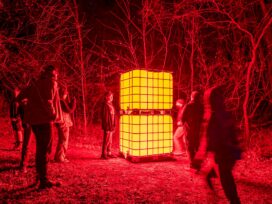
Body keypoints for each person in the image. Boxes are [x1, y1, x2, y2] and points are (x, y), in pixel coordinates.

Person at [17, 65, 62, 189]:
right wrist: (53, 115)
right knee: (45, 150)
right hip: (45, 120)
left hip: (34, 122)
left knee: (40, 149)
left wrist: (28, 107)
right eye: (56, 74)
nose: (57, 76)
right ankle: (43, 180)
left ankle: (40, 177)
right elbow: (49, 101)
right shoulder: (51, 83)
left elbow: (19, 97)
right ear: (53, 74)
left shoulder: (35, 84)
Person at [194, 86, 241, 204]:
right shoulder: (225, 114)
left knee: (227, 181)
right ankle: (216, 198)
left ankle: (234, 202)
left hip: (222, 154)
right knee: (212, 175)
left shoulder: (213, 117)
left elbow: (207, 138)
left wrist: (199, 158)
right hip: (229, 153)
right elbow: (233, 133)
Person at [181, 91, 204, 167]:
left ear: (192, 96)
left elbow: (182, 118)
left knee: (189, 146)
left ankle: (192, 164)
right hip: (198, 130)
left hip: (189, 129)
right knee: (196, 146)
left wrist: (184, 125)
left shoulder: (188, 106)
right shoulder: (201, 106)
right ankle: (197, 163)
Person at [54, 87, 76, 162]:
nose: (66, 95)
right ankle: (60, 157)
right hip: (64, 123)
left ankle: (58, 156)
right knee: (64, 140)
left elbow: (67, 107)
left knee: (62, 139)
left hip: (61, 122)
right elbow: (69, 110)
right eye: (66, 94)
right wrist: (74, 102)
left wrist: (70, 103)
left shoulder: (58, 101)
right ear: (64, 94)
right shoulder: (61, 101)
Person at [101, 91, 116, 159]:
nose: (112, 97)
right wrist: (106, 127)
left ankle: (109, 153)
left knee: (110, 140)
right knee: (106, 140)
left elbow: (113, 115)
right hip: (108, 126)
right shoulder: (105, 105)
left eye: (112, 96)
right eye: (110, 96)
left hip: (111, 125)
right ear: (106, 97)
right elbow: (104, 117)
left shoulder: (111, 104)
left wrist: (114, 125)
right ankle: (103, 154)